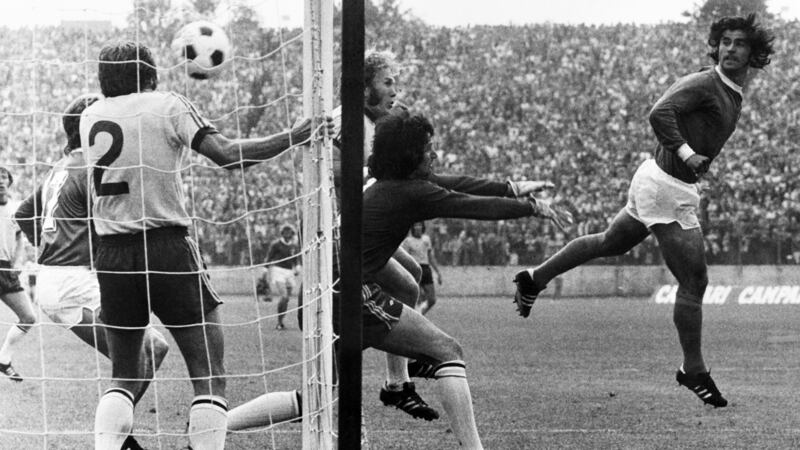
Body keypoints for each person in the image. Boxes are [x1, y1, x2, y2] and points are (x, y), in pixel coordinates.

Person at [512, 14, 775, 408]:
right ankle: (694, 370)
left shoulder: (732, 90)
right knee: (695, 281)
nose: (731, 49)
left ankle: (534, 278)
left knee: (610, 242)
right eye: (725, 42)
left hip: (662, 181)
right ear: (716, 46)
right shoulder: (706, 82)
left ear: (754, 52)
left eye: (739, 43)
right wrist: (687, 153)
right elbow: (659, 112)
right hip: (666, 188)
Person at [82, 41, 330, 450]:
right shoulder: (167, 104)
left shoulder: (92, 114)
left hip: (111, 254)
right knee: (209, 374)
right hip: (165, 246)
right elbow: (228, 156)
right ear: (151, 72)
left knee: (123, 377)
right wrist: (294, 135)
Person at [350, 112, 571, 448]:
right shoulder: (412, 193)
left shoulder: (388, 186)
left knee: (314, 394)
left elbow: (462, 184)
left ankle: (234, 420)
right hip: (353, 298)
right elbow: (472, 205)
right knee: (448, 352)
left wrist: (513, 188)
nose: (434, 155)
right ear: (412, 158)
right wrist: (531, 208)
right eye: (429, 149)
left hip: (331, 294)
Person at [14, 94, 170, 450]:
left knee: (154, 349)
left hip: (63, 278)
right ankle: (113, 440)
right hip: (71, 280)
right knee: (136, 358)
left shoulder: (61, 166)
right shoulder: (91, 168)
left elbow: (24, 213)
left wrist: (50, 244)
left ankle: (120, 435)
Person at [0, 166, 37, 382]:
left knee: (29, 317)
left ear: (9, 182)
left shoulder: (15, 209)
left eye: (4, 177)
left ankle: (3, 359)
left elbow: (19, 238)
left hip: (5, 269)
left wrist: (17, 261)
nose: (1, 181)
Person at [401, 222, 442, 314]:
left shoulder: (426, 239)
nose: (418, 227)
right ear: (413, 228)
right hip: (414, 269)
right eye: (416, 225)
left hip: (426, 269)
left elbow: (430, 256)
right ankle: (416, 317)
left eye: (420, 225)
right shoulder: (408, 241)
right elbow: (405, 258)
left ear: (423, 227)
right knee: (417, 299)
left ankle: (420, 314)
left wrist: (438, 273)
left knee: (432, 299)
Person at [265, 224, 300, 330]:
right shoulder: (276, 244)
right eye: (286, 231)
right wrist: (265, 269)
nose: (288, 234)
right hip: (278, 271)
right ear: (282, 233)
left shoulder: (293, 246)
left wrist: (297, 266)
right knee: (284, 296)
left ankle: (281, 321)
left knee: (287, 299)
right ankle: (279, 322)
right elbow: (269, 257)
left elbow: (295, 259)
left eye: (290, 232)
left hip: (289, 272)